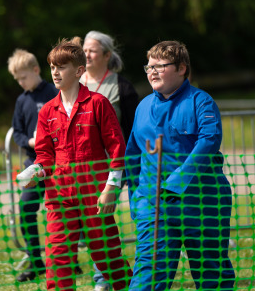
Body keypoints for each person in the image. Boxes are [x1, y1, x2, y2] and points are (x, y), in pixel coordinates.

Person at [17, 38, 132, 291]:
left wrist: (111, 186)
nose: (55, 73)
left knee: (107, 256)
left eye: (62, 67)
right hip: (59, 195)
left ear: (79, 71)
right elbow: (45, 154)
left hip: (95, 194)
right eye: (52, 67)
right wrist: (35, 170)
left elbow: (116, 147)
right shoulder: (47, 111)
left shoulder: (98, 104)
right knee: (57, 258)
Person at [125, 40, 235, 290]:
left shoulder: (201, 102)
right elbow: (132, 155)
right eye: (148, 67)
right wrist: (137, 200)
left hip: (204, 204)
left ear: (182, 68)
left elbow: (208, 142)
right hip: (155, 207)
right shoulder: (142, 107)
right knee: (147, 274)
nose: (152, 71)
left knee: (212, 274)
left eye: (160, 66)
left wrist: (176, 182)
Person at [80, 30, 139, 291]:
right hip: (76, 167)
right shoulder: (71, 79)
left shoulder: (121, 87)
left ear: (106, 55)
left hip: (109, 167)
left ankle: (103, 279)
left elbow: (133, 128)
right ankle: (114, 272)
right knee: (86, 223)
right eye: (84, 49)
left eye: (92, 50)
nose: (86, 54)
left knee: (99, 220)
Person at [7, 49, 58, 282]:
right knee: (26, 209)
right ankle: (35, 261)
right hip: (33, 165)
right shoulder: (21, 100)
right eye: (16, 79)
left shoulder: (54, 92)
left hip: (59, 163)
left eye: (23, 77)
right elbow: (16, 132)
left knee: (64, 211)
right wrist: (29, 140)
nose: (20, 82)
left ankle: (68, 261)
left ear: (36, 70)